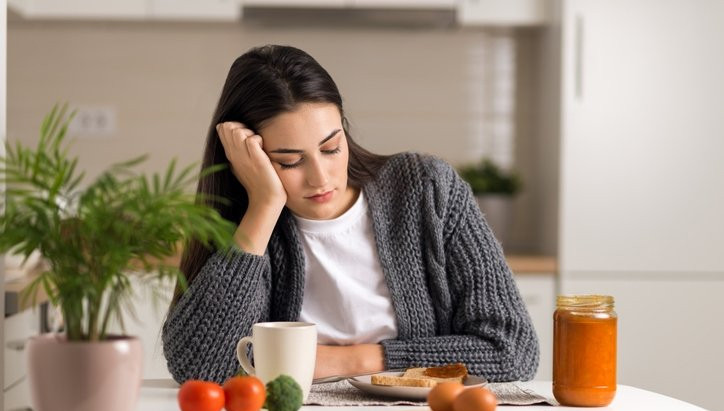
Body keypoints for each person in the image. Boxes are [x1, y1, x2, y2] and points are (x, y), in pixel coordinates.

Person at [162, 44, 539, 385]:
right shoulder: (244, 223)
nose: (321, 177)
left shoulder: (426, 190)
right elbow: (200, 369)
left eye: (331, 147)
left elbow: (511, 351)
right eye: (289, 161)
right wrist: (263, 205)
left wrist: (344, 360)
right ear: (249, 161)